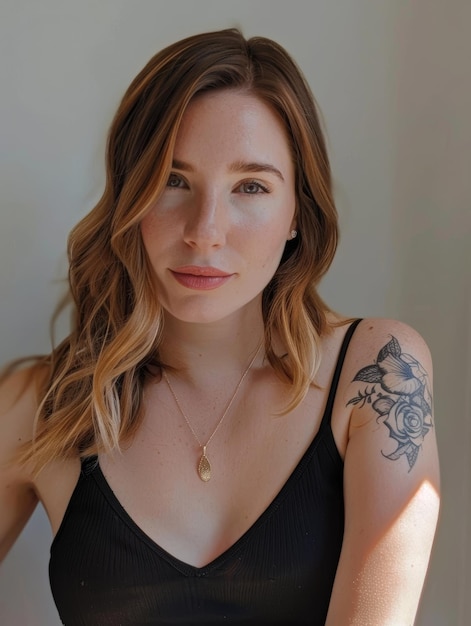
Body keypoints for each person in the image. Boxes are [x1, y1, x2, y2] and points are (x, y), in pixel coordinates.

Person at [0, 28, 440, 625]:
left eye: (251, 186)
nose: (204, 231)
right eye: (173, 181)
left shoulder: (377, 376)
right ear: (130, 197)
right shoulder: (41, 407)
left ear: (296, 214)